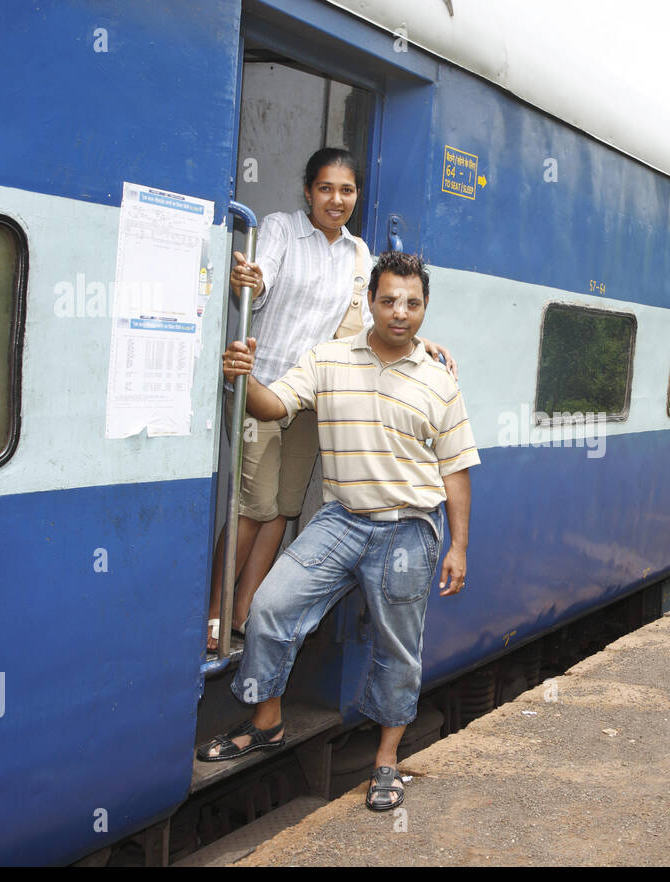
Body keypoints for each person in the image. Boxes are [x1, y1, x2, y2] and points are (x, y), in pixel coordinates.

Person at [198, 252, 479, 814]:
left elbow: (455, 469)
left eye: (413, 303)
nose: (400, 312)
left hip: (409, 528)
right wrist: (242, 376)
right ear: (369, 302)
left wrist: (459, 547)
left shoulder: (439, 380)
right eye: (389, 300)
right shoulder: (327, 359)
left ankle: (385, 763)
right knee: (270, 608)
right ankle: (267, 720)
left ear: (425, 307)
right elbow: (274, 404)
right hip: (341, 520)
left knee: (397, 648)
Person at [207, 147, 454, 652]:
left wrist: (417, 341)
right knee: (253, 505)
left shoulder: (359, 254)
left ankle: (243, 611)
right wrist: (251, 280)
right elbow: (263, 274)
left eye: (346, 190)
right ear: (308, 191)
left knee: (285, 505)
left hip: (311, 394)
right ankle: (211, 611)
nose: (336, 199)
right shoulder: (279, 229)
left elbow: (369, 323)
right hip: (263, 387)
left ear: (356, 195)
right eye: (325, 189)